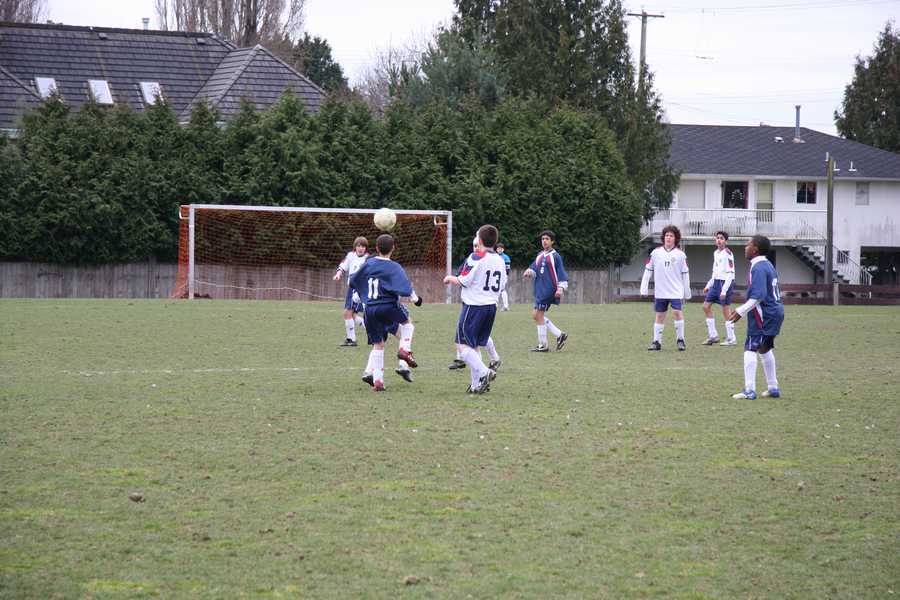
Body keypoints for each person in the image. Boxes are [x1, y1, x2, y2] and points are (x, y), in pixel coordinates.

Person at [349, 234, 422, 391]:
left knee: (378, 344)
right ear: (393, 248)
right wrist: (416, 300)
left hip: (369, 310)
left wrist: (358, 297)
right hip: (388, 305)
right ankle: (404, 350)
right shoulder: (394, 267)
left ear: (376, 248)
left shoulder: (368, 264)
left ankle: (378, 382)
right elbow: (406, 286)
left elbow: (354, 281)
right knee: (408, 324)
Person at [444, 224, 508, 394]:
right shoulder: (500, 260)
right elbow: (502, 285)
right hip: (491, 307)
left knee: (462, 345)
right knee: (474, 347)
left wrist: (450, 278)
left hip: (474, 307)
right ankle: (475, 385)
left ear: (479, 240)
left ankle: (485, 372)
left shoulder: (476, 256)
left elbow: (464, 280)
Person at [728, 235, 785, 400]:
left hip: (764, 313)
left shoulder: (758, 267)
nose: (745, 247)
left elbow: (759, 295)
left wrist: (740, 311)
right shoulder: (768, 264)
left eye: (748, 244)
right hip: (776, 311)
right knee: (764, 348)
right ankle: (773, 388)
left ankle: (749, 390)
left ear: (755, 249)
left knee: (750, 348)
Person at [449, 236, 501, 372]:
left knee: (469, 337)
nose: (476, 248)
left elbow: (464, 280)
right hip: (483, 303)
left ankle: (486, 367)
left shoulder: (479, 259)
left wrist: (451, 279)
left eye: (478, 245)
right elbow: (461, 274)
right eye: (474, 246)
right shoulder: (481, 258)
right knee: (470, 335)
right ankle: (468, 364)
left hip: (477, 303)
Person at [640, 225, 691, 351]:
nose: (668, 238)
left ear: (675, 238)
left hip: (676, 291)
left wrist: (687, 292)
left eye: (671, 236)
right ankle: (656, 342)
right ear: (663, 237)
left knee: (677, 312)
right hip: (660, 291)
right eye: (667, 235)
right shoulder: (655, 253)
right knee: (660, 315)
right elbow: (648, 270)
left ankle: (680, 340)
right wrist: (643, 288)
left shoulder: (681, 255)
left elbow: (685, 274)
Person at [523, 230, 569, 352]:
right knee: (536, 315)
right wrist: (529, 272)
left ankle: (543, 345)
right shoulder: (540, 255)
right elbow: (534, 268)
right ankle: (560, 335)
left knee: (538, 315)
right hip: (540, 289)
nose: (544, 241)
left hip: (548, 290)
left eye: (547, 239)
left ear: (552, 241)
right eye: (543, 239)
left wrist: (560, 288)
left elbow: (561, 273)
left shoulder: (555, 256)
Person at [701, 231, 738, 346]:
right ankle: (713, 336)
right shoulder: (716, 253)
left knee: (725, 310)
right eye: (717, 238)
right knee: (706, 306)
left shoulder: (728, 253)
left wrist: (724, 290)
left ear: (726, 241)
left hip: (725, 283)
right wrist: (708, 285)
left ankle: (731, 338)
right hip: (716, 283)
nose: (719, 240)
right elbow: (715, 271)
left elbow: (730, 273)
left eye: (721, 238)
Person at [332, 236, 369, 347]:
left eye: (363, 246)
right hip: (351, 288)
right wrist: (338, 274)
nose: (361, 248)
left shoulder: (368, 259)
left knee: (347, 313)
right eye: (358, 246)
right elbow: (343, 266)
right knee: (352, 315)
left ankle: (351, 340)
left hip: (359, 289)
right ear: (355, 247)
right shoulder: (351, 256)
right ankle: (373, 329)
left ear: (366, 248)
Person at [495, 242, 512, 311]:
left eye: (500, 248)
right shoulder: (494, 256)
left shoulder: (506, 257)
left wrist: (506, 276)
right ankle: (495, 305)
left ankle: (506, 306)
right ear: (496, 249)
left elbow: (507, 268)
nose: (499, 250)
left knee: (502, 290)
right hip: (495, 276)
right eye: (498, 248)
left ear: (503, 249)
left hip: (503, 276)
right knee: (495, 290)